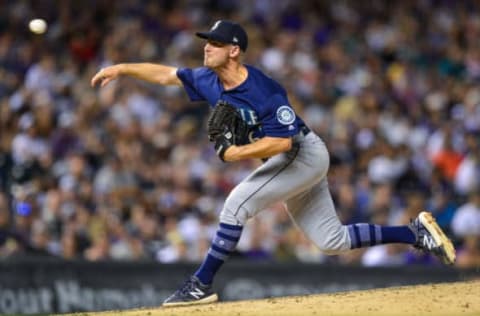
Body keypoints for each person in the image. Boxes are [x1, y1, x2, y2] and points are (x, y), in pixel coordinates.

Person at [91, 20, 456, 307]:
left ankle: (199, 284)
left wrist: (234, 154)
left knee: (236, 205)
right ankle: (415, 233)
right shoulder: (208, 79)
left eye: (215, 43)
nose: (206, 46)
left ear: (234, 50)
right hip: (290, 161)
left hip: (301, 154)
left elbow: (282, 140)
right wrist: (122, 68)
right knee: (332, 241)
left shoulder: (263, 89)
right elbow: (167, 75)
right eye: (207, 41)